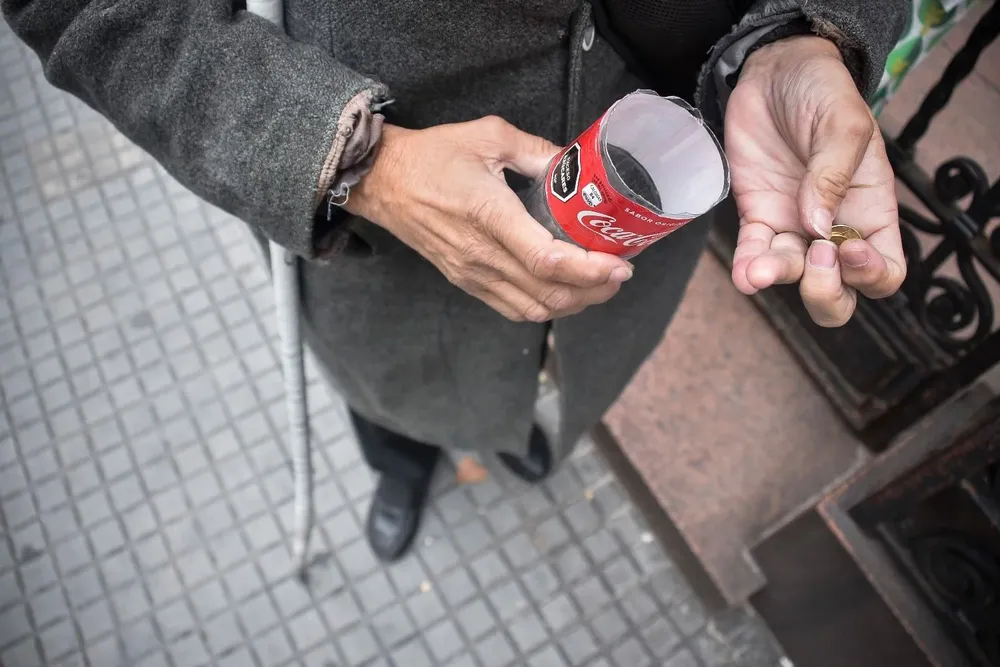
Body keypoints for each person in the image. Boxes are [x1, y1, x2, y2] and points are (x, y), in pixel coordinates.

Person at [6, 0, 909, 562]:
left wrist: (808, 34)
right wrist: (352, 158)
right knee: (391, 390)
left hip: (655, 192)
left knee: (573, 353)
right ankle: (401, 463)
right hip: (386, 222)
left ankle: (508, 427)